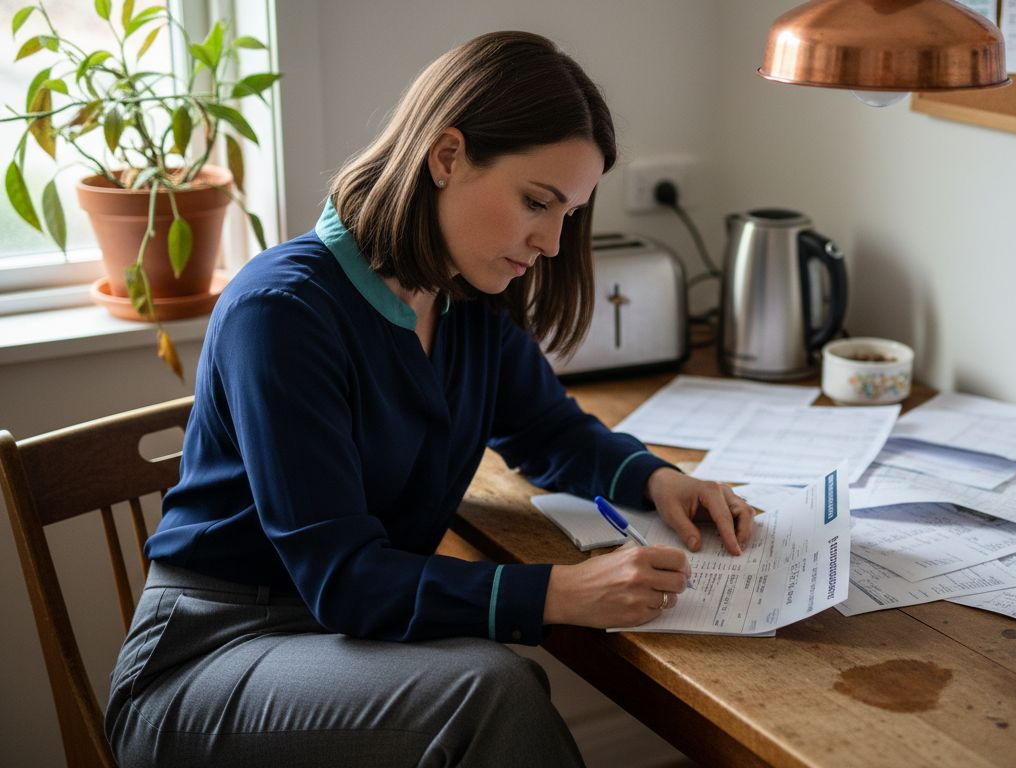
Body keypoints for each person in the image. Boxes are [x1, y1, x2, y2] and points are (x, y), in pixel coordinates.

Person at [105, 30, 754, 767]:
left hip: (342, 644)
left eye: (568, 213)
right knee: (491, 691)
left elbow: (550, 432)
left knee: (493, 685)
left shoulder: (465, 299)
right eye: (537, 201)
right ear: (447, 156)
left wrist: (658, 479)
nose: (549, 240)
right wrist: (560, 594)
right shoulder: (281, 312)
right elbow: (344, 578)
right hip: (211, 660)